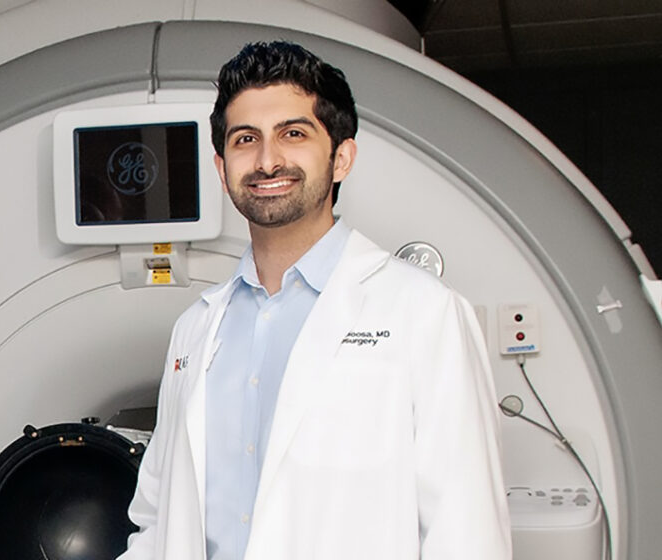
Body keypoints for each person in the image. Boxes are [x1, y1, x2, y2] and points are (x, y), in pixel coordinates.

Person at [118, 41, 511, 560]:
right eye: (245, 139)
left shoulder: (423, 313)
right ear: (221, 166)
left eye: (294, 134)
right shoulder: (196, 329)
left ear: (342, 156)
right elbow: (155, 518)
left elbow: (467, 531)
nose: (267, 159)